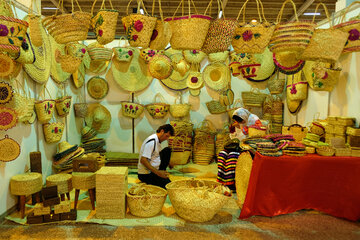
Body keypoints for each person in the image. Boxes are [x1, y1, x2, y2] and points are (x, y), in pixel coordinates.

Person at [137, 124, 175, 189]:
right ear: (162, 131)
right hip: (146, 174)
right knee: (169, 186)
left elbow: (157, 155)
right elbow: (143, 160)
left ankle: (161, 172)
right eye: (166, 136)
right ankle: (159, 174)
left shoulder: (158, 141)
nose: (166, 139)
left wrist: (169, 162)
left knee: (167, 150)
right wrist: (157, 172)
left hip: (155, 169)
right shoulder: (152, 142)